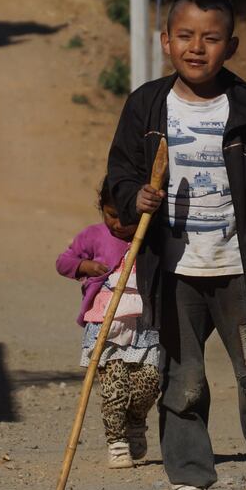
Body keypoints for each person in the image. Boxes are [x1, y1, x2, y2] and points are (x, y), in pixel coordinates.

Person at [107, 0, 246, 490]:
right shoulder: (146, 105)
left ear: (230, 46)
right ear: (166, 41)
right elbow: (118, 177)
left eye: (211, 38)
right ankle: (188, 478)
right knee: (182, 376)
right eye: (186, 36)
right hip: (175, 270)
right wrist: (134, 196)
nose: (198, 47)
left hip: (240, 265)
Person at [56, 177, 161, 469]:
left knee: (148, 384)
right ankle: (116, 441)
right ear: (101, 208)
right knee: (115, 388)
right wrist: (84, 267)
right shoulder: (93, 235)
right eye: (111, 215)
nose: (118, 224)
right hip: (107, 323)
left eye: (126, 217)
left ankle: (136, 421)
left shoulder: (152, 236)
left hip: (144, 324)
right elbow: (63, 262)